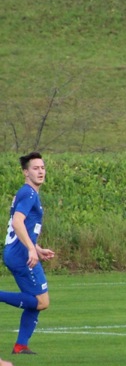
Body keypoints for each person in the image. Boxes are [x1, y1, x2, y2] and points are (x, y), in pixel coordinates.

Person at [1, 152, 55, 355]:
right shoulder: (29, 193)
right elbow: (17, 222)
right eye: (35, 168)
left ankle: (20, 345)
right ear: (25, 172)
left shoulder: (29, 193)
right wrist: (31, 249)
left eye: (42, 167)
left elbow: (19, 227)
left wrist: (36, 248)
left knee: (37, 301)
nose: (40, 171)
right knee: (42, 301)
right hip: (21, 255)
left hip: (20, 252)